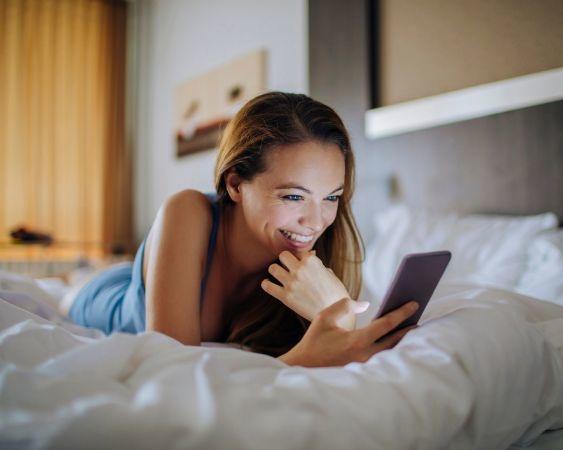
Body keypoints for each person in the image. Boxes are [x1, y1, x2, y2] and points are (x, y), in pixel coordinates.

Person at [62, 92, 418, 367]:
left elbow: (334, 348)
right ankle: (76, 277)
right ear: (235, 185)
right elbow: (171, 372)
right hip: (107, 297)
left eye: (331, 197)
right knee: (79, 285)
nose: (315, 222)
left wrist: (335, 315)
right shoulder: (187, 211)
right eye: (294, 196)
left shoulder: (312, 259)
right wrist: (305, 358)